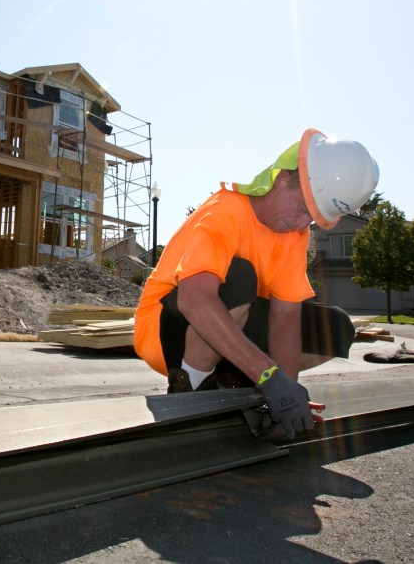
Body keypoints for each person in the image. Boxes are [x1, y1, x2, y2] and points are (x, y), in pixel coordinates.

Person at [133, 128, 380, 439]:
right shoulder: (227, 209)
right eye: (304, 208)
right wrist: (269, 376)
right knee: (240, 275)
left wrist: (284, 393)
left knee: (337, 327)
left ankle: (238, 386)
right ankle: (189, 391)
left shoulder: (294, 234)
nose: (304, 223)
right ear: (282, 180)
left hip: (231, 327)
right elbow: (194, 300)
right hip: (165, 330)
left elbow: (285, 316)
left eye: (313, 219)